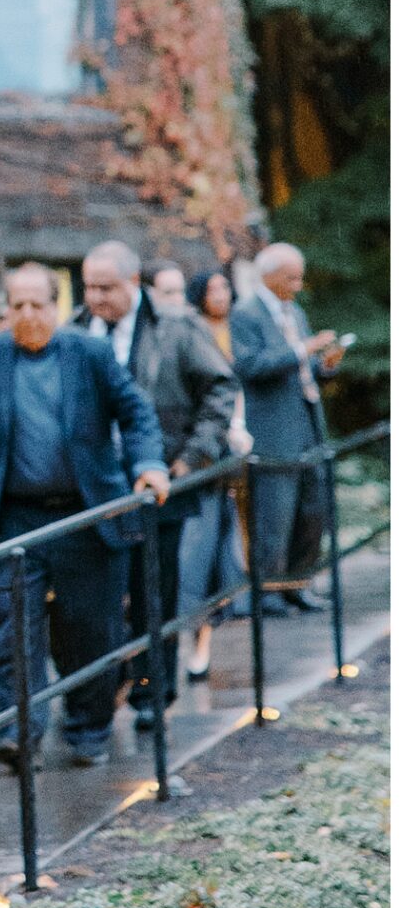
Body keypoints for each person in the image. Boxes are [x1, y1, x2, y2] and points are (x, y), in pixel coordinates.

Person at [0, 259, 168, 769]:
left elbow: (136, 414)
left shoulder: (89, 352)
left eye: (37, 304)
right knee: (16, 632)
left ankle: (88, 729)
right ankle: (18, 731)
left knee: (90, 629)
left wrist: (149, 465)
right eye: (17, 305)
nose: (27, 314)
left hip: (86, 516)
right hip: (16, 518)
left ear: (57, 306)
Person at [76, 241, 236, 726]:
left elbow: (220, 388)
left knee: (155, 592)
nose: (96, 297)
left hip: (162, 483)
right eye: (89, 287)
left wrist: (192, 457)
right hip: (97, 488)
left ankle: (153, 694)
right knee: (97, 598)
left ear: (133, 282)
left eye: (106, 288)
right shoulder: (76, 330)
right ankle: (100, 696)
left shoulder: (176, 326)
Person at [231, 242, 348, 613]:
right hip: (272, 430)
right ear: (269, 276)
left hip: (307, 423)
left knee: (312, 510)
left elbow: (303, 369)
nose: (298, 285)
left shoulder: (294, 312)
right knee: (274, 516)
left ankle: (299, 584)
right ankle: (269, 592)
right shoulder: (246, 313)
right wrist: (303, 349)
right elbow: (250, 366)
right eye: (291, 278)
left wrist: (325, 364)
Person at [179, 267, 252, 677]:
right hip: (186, 455)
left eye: (225, 286)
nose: (221, 294)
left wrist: (234, 428)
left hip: (215, 455)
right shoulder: (188, 332)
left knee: (208, 554)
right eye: (213, 288)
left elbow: (228, 389)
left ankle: (202, 641)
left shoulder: (234, 329)